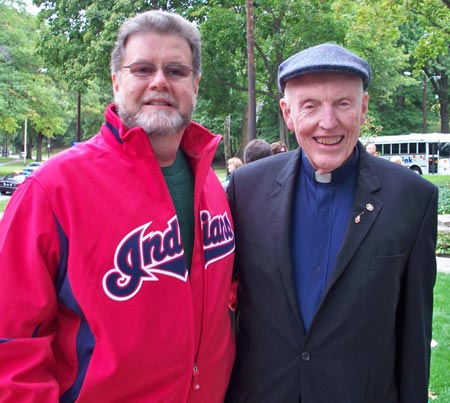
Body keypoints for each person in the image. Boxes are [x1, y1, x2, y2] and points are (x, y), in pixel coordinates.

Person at [0, 10, 236, 402]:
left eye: (176, 71)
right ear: (116, 81)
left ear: (195, 84)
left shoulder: (208, 182)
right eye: (143, 69)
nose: (160, 81)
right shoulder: (52, 189)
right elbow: (12, 341)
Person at [225, 43, 437, 402]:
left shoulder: (412, 197)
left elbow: (415, 335)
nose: (328, 122)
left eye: (343, 103)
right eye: (310, 106)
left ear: (363, 108)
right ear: (288, 114)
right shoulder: (246, 189)